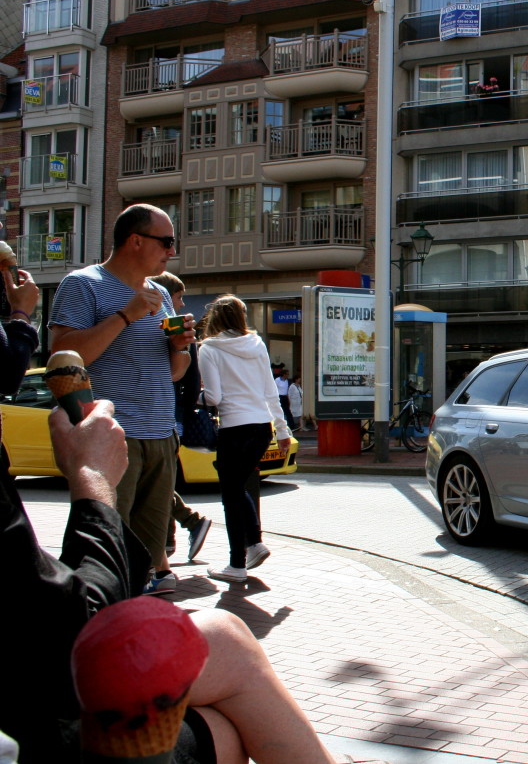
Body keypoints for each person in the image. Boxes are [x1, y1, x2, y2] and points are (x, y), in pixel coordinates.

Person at [2, 397, 362, 763]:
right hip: (34, 713)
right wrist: (92, 479)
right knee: (223, 704)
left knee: (223, 655)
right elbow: (75, 630)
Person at [48, 203, 196, 595]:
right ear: (135, 241)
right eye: (166, 242)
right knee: (109, 552)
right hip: (113, 434)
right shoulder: (83, 284)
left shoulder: (162, 293)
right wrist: (125, 315)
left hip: (160, 433)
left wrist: (180, 347)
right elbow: (62, 354)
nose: (171, 251)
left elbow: (174, 372)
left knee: (150, 559)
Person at [199, 296, 292, 583]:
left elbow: (213, 397)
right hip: (261, 428)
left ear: (215, 318)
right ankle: (252, 546)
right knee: (240, 489)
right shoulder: (257, 344)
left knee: (232, 494)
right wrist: (284, 429)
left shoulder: (208, 349)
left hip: (234, 428)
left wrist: (196, 397)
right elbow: (269, 391)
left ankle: (240, 561)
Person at [151, 271, 213, 562]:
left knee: (155, 481)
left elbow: (189, 374)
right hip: (165, 413)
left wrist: (185, 411)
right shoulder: (158, 323)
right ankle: (171, 538)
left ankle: (178, 532)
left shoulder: (175, 328)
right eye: (178, 296)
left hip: (166, 414)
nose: (181, 302)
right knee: (157, 480)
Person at [273, 362, 296, 430]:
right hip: (279, 396)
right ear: (283, 374)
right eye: (287, 374)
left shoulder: (287, 381)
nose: (288, 375)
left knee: (287, 411)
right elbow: (274, 388)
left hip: (285, 397)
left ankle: (292, 426)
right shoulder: (277, 380)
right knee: (279, 411)